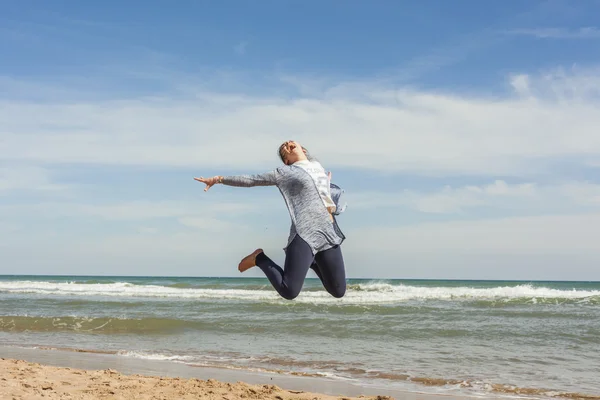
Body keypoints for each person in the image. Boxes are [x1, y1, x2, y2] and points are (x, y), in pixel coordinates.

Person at [194, 140, 347, 300]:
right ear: (287, 161)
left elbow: (325, 195)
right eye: (284, 149)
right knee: (289, 291)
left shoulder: (318, 167)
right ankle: (259, 258)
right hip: (305, 233)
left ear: (302, 148)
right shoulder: (284, 173)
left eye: (290, 142)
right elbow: (251, 180)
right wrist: (219, 179)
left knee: (338, 291)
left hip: (328, 232)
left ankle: (310, 260)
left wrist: (327, 183)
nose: (287, 144)